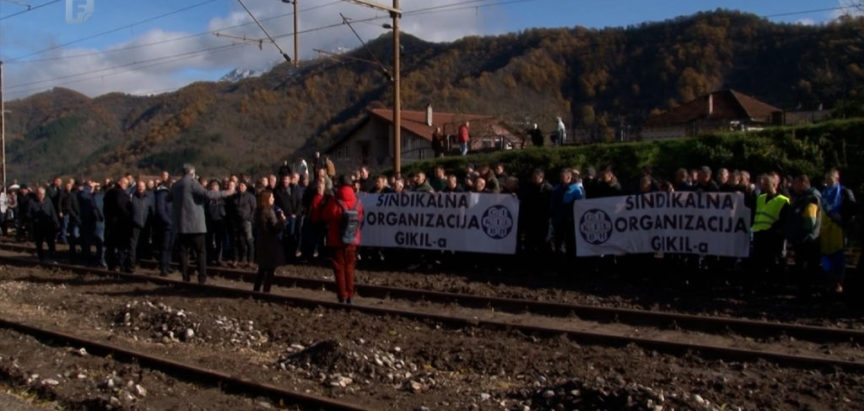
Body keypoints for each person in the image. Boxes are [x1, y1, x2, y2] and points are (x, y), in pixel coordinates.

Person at [170, 164, 234, 284]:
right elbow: (208, 195)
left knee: (183, 253)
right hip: (195, 225)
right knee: (201, 252)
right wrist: (226, 193)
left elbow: (168, 198)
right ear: (192, 173)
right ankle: (202, 277)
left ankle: (185, 277)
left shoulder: (176, 185)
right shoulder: (193, 184)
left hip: (181, 225)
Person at [312, 175, 364, 304]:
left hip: (336, 240)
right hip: (353, 239)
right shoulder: (357, 201)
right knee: (350, 267)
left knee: (339, 268)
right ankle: (350, 295)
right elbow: (361, 218)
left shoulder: (334, 201)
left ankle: (342, 295)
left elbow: (324, 216)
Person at [819, 168, 857, 293]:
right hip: (825, 228)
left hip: (838, 227)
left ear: (836, 178)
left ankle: (838, 282)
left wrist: (843, 218)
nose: (828, 181)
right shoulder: (823, 193)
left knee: (838, 256)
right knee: (825, 256)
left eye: (830, 179)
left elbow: (852, 209)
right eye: (826, 179)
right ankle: (828, 280)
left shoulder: (844, 192)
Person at [751, 173, 790, 275]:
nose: (764, 186)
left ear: (774, 184)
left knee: (773, 262)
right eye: (764, 184)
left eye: (767, 184)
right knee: (759, 262)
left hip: (772, 236)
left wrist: (776, 230)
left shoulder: (783, 200)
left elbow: (785, 219)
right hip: (759, 233)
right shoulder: (761, 198)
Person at [786, 174, 821, 286]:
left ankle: (807, 292)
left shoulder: (811, 198)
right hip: (802, 238)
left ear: (803, 183)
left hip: (807, 240)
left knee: (807, 267)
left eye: (795, 183)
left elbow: (811, 220)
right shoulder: (802, 198)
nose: (793, 185)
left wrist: (801, 233)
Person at [253, 189, 288, 293]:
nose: (273, 199)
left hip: (262, 241)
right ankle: (266, 290)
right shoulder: (269, 211)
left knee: (262, 268)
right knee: (270, 269)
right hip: (270, 242)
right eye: (271, 197)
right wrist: (283, 220)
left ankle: (256, 289)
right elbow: (275, 228)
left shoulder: (258, 211)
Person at [30, 187, 59, 263]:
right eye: (39, 194)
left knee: (51, 242)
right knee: (39, 243)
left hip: (48, 225)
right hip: (38, 226)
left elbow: (52, 212)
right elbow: (28, 214)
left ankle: (52, 257)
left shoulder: (48, 201)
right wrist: (34, 219)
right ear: (37, 194)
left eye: (42, 194)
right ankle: (41, 258)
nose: (41, 195)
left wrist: (56, 222)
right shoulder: (32, 202)